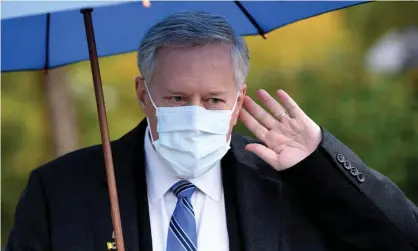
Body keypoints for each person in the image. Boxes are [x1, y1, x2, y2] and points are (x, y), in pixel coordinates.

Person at [6, 11, 418, 251]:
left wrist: (322, 160)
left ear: (238, 101)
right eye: (176, 98)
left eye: (213, 100)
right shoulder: (59, 190)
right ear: (142, 93)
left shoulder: (295, 182)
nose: (195, 113)